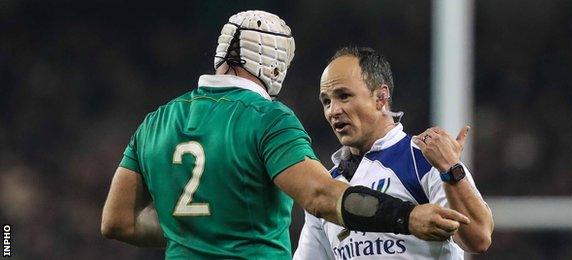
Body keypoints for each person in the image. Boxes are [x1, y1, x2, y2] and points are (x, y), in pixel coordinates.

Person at [100, 11, 471, 259]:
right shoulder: (267, 118)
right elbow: (321, 196)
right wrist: (407, 218)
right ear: (275, 62)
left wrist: (197, 237)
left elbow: (117, 221)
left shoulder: (154, 123)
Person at [294, 47, 494, 260]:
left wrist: (451, 169)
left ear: (381, 97)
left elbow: (478, 239)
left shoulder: (422, 158)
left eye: (344, 96)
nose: (333, 111)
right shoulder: (328, 186)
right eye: (326, 101)